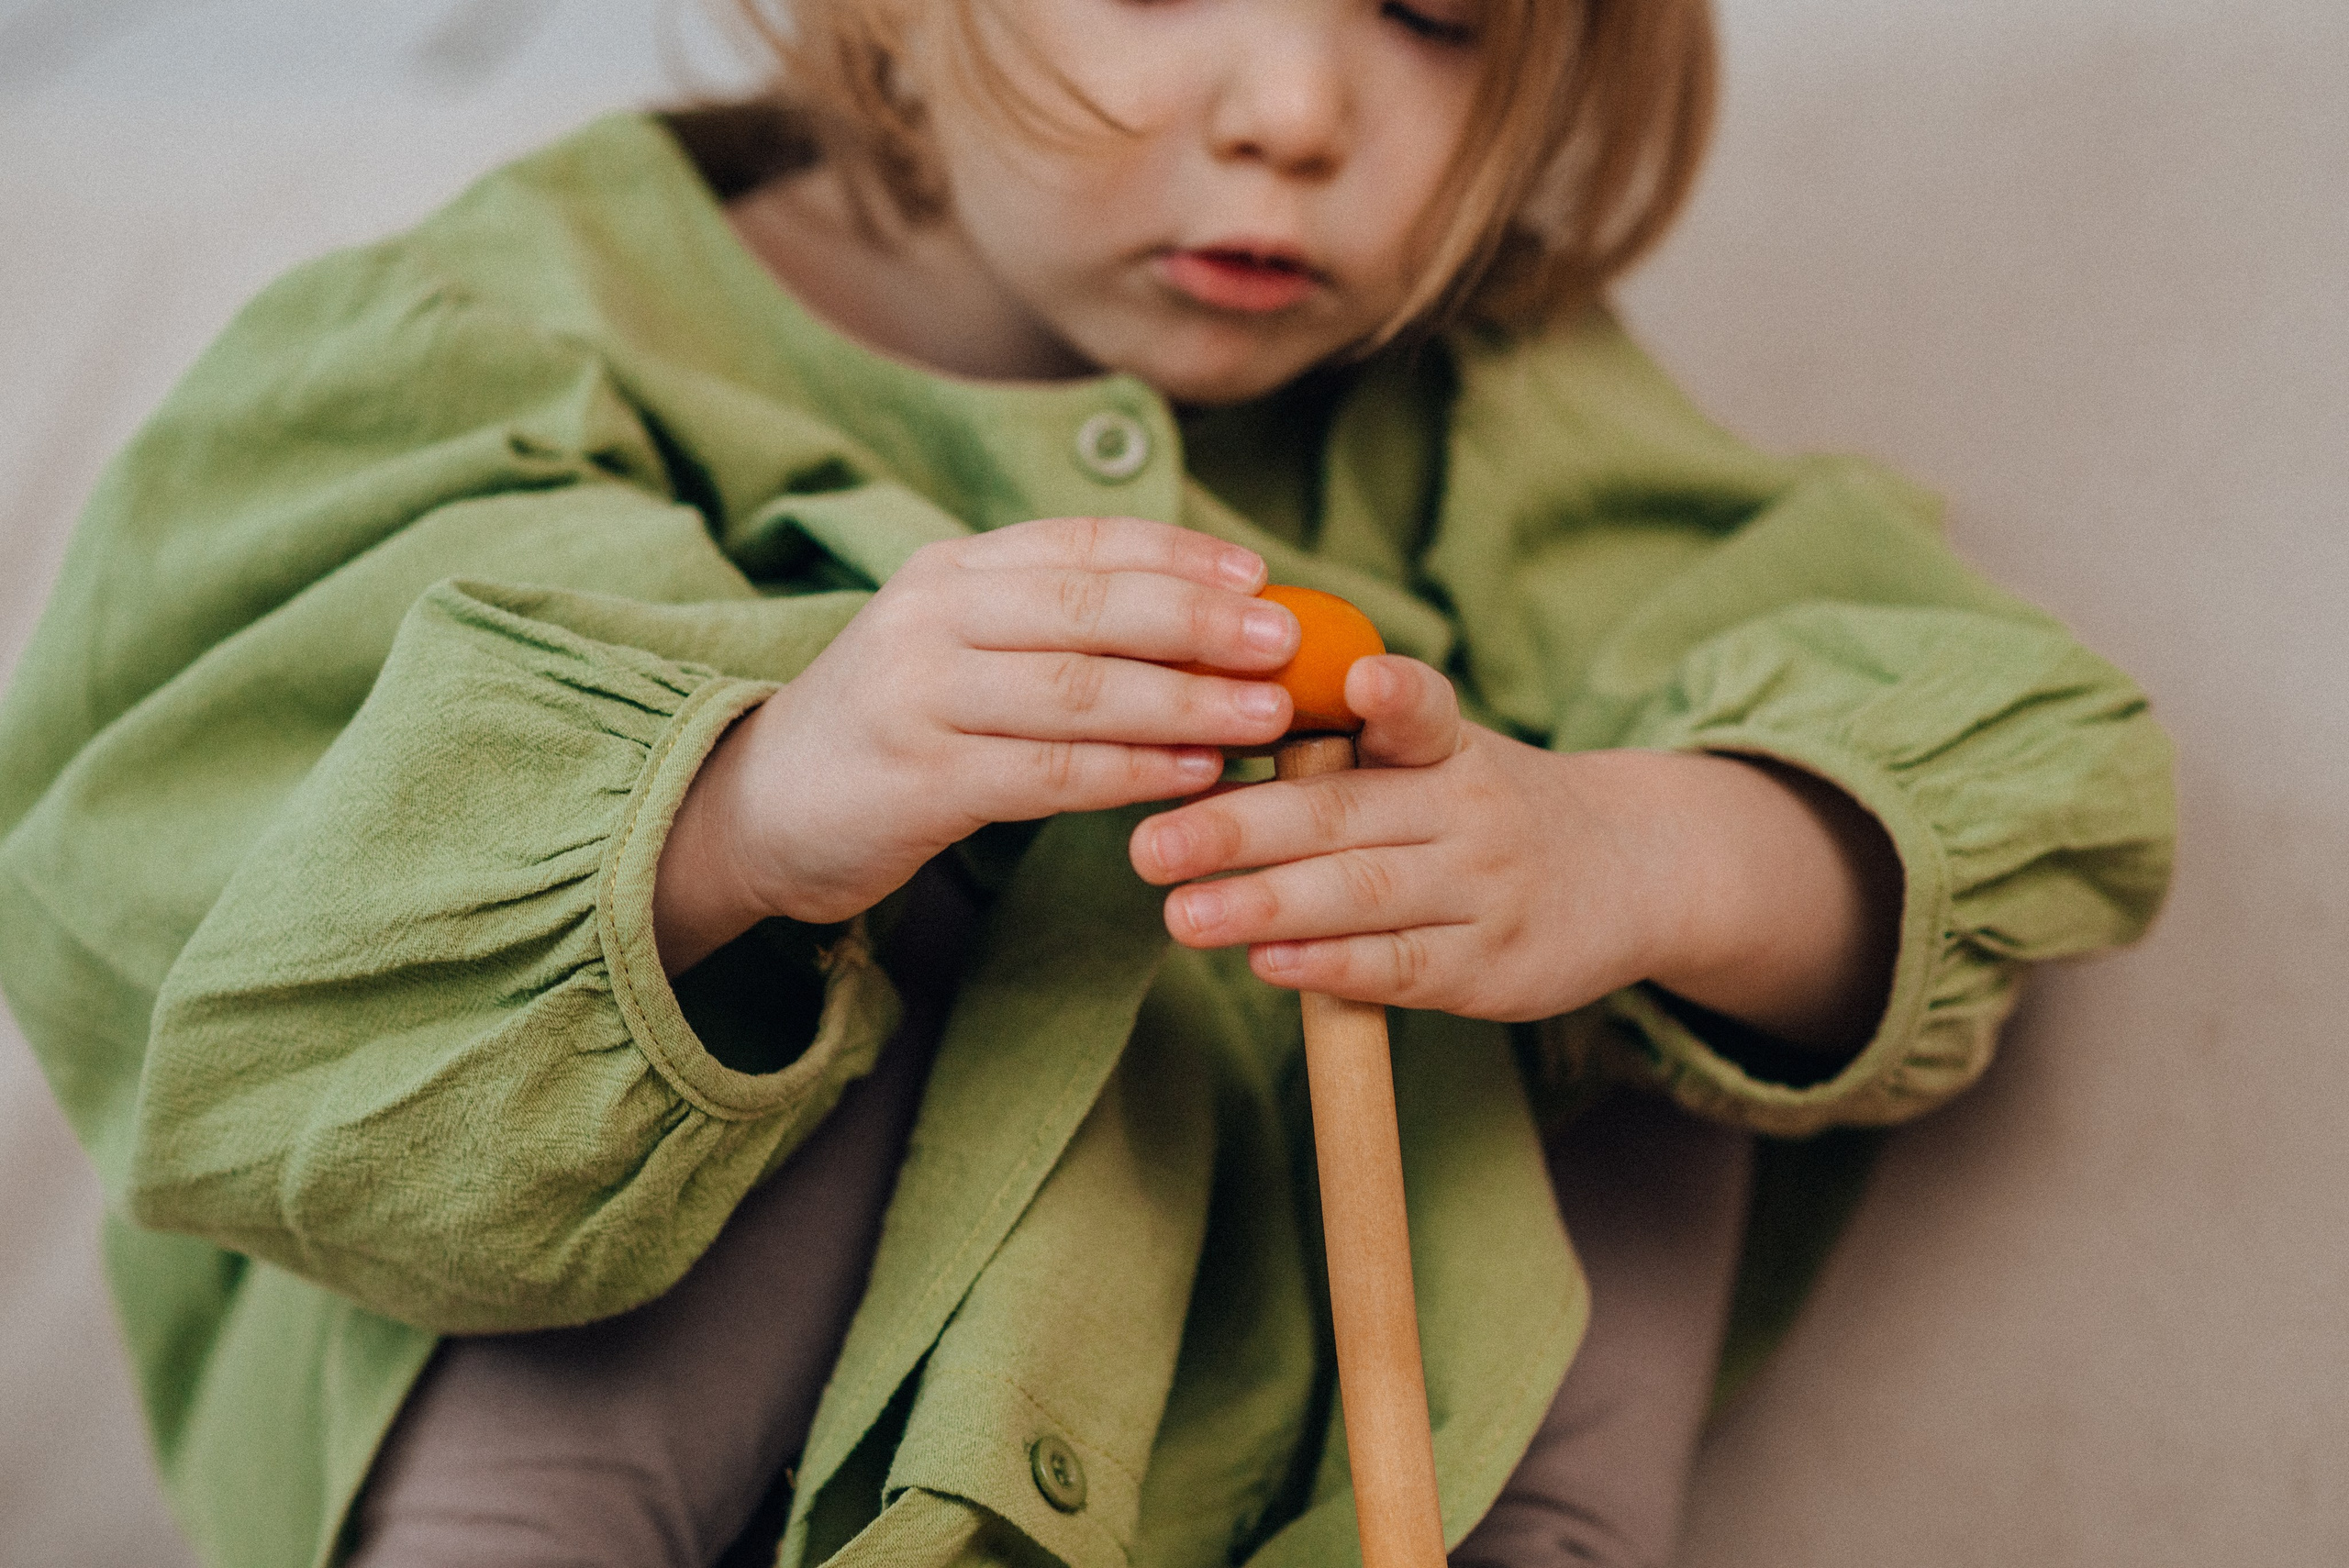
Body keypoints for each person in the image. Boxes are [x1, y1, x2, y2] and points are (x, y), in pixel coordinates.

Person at [0, 2, 2176, 1566]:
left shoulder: (1488, 409)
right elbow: (237, 912)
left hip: (1297, 1473)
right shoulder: (506, 346)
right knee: (851, 885)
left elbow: (1975, 751)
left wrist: (1630, 857)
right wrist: (756, 806)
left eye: (1433, 11)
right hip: (668, 1468)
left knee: (1604, 895)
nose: (1295, 109)